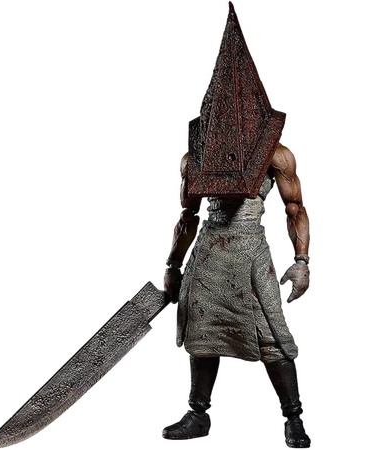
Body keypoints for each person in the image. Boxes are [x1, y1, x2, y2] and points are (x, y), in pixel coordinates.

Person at [162, 3, 312, 448]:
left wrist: (301, 261)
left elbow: (296, 209)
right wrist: (173, 266)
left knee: (271, 334)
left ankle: (294, 419)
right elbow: (188, 216)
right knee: (202, 333)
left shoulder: (276, 155)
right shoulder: (196, 157)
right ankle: (197, 414)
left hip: (249, 252)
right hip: (208, 252)